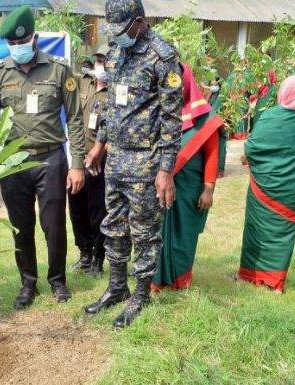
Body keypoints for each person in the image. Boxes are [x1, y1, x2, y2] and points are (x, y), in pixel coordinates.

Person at [83, 0, 182, 328]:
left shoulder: (162, 56)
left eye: (122, 29)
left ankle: (140, 294)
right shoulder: (115, 52)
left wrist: (165, 170)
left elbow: (171, 118)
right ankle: (116, 288)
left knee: (144, 231)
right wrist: (99, 144)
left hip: (146, 161)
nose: (117, 35)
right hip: (116, 157)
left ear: (139, 21)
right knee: (114, 225)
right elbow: (111, 105)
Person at [0, 6, 86, 310]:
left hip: (50, 159)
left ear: (35, 37)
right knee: (20, 225)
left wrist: (77, 163)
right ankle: (28, 283)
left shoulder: (59, 69)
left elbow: (76, 118)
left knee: (53, 224)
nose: (18, 48)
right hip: (13, 162)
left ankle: (58, 280)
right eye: (12, 44)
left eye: (22, 41)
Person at [238, 75, 295, 293]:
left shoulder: (270, 117)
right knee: (283, 235)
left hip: (264, 186)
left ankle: (251, 275)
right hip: (294, 190)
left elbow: (252, 149)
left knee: (256, 230)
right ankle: (276, 283)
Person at [152, 63, 223, 291]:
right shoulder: (159, 112)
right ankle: (155, 278)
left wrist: (208, 189)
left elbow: (212, 153)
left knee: (184, 234)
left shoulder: (205, 118)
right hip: (160, 184)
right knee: (156, 231)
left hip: (190, 188)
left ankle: (180, 279)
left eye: (176, 83)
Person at [69, 44, 110, 275]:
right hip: (77, 159)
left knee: (98, 211)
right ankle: (84, 253)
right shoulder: (83, 83)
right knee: (76, 209)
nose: (100, 65)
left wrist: (100, 152)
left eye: (104, 61)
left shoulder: (116, 91)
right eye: (97, 60)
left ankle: (98, 256)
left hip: (100, 162)